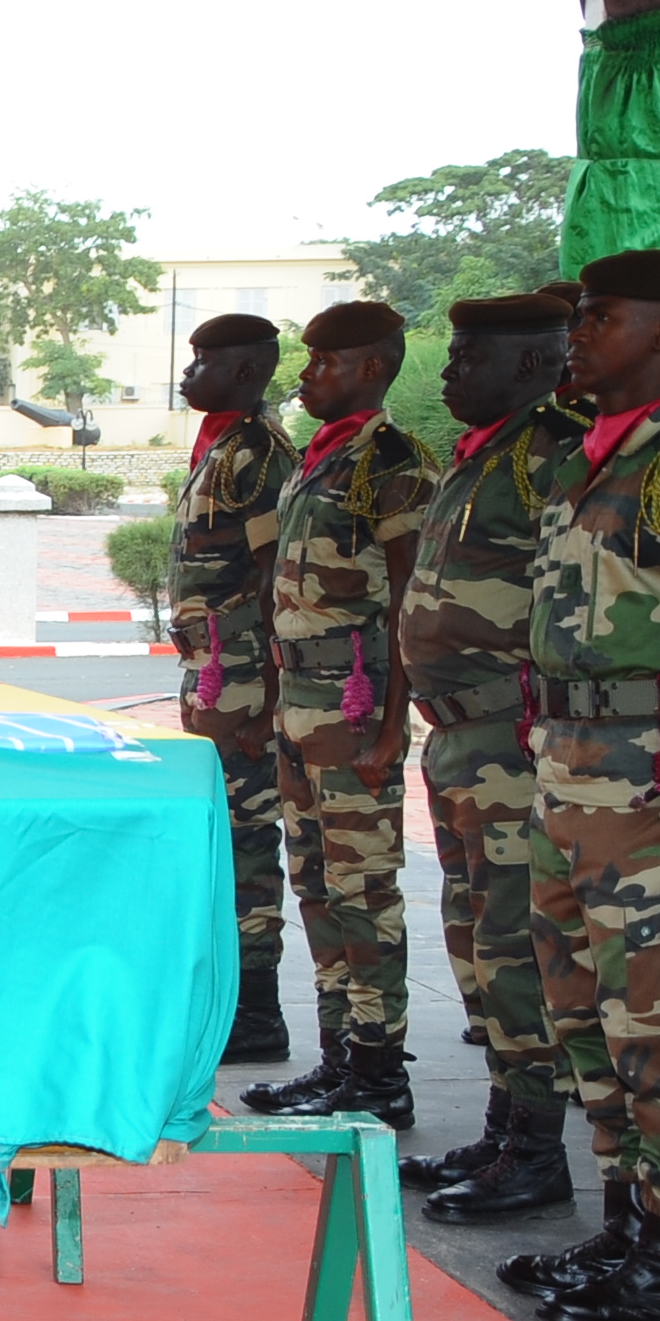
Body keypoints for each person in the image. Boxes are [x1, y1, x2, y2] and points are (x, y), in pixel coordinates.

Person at [507, 248, 660, 1321]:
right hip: (568, 762)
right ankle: (627, 1218)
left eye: (602, 318)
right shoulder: (589, 457)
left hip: (650, 776)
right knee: (582, 1003)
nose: (577, 335)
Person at [393, 292, 585, 1221]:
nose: (447, 372)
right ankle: (508, 1125)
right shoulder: (486, 456)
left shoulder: (558, 453)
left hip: (515, 735)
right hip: (463, 735)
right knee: (475, 933)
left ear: (533, 363)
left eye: (468, 357)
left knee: (518, 943)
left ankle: (537, 1148)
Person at [240, 301, 437, 1129]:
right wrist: (279, 707)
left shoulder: (392, 462)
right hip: (302, 710)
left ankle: (381, 1070)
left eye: (324, 361)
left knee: (365, 893)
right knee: (315, 886)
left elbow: (409, 607)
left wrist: (393, 729)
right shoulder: (319, 461)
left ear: (371, 368)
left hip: (355, 712)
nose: (306, 375)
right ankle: (337, 1060)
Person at [169, 313, 299, 1064]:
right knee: (226, 836)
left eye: (205, 362)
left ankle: (258, 1013)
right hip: (218, 672)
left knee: (249, 841)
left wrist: (271, 704)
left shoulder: (262, 455)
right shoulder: (222, 445)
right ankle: (236, 1003)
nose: (189, 374)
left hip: (249, 677)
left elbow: (280, 578)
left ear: (248, 372)